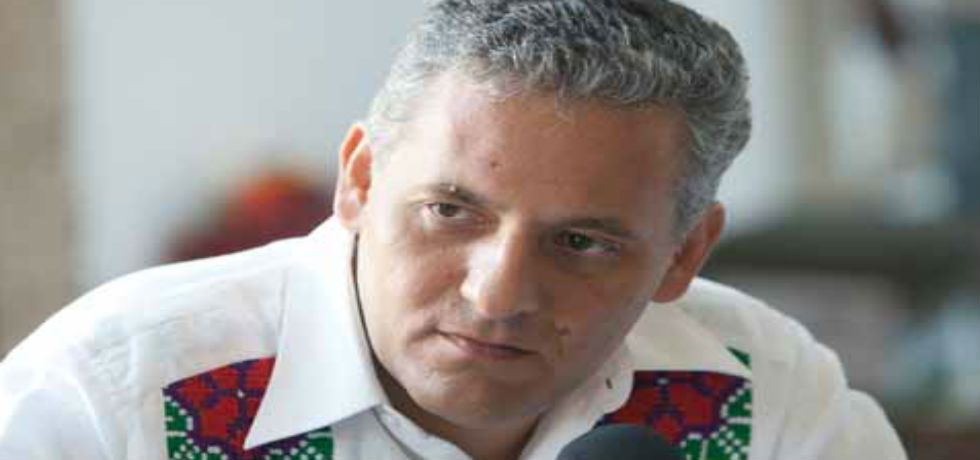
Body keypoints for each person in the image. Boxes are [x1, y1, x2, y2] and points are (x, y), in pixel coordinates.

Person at [0, 1, 907, 459]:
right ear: (359, 180)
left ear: (684, 254)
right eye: (450, 211)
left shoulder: (762, 393)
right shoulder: (115, 399)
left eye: (583, 243)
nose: (497, 294)